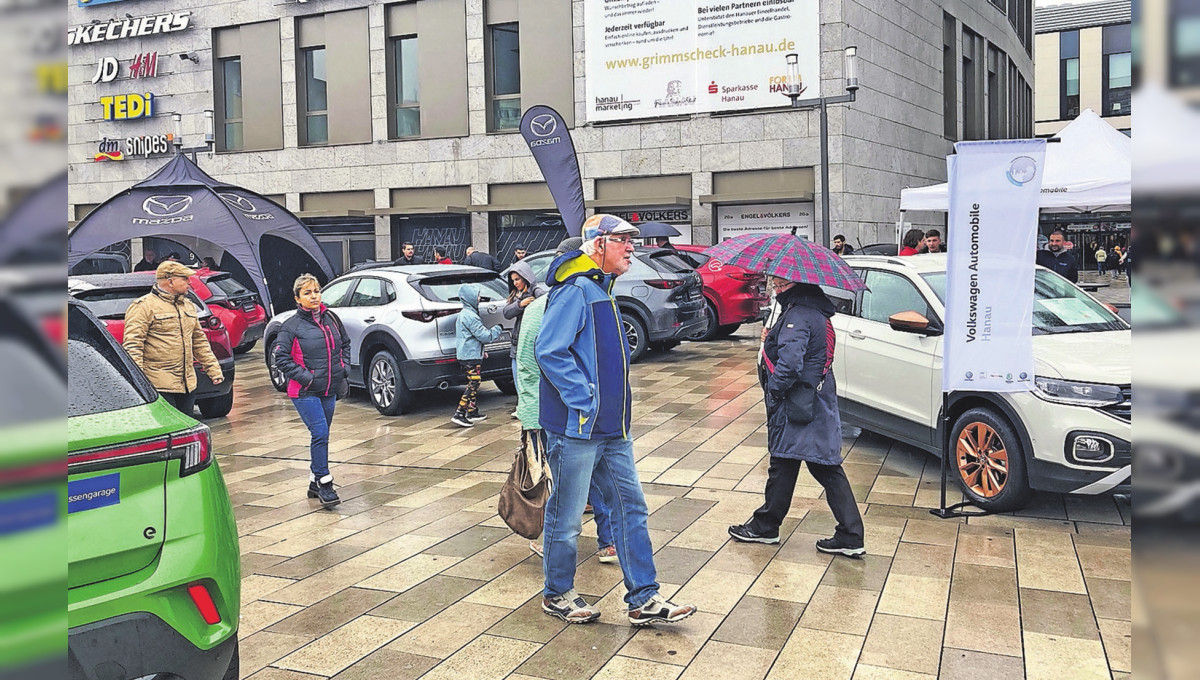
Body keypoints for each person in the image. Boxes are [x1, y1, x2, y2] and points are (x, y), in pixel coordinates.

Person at [536, 213, 696, 626]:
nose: (631, 247)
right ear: (597, 244)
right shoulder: (574, 291)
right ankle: (557, 593)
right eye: (623, 240)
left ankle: (644, 597)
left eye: (632, 240)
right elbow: (550, 351)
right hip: (578, 429)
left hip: (611, 429)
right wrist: (585, 398)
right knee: (567, 517)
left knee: (631, 510)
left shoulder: (599, 289)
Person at [729, 276, 865, 557]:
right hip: (812, 400)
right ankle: (767, 524)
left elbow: (790, 364)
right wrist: (772, 340)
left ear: (795, 282)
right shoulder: (809, 310)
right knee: (788, 462)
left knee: (819, 466)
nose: (773, 285)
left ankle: (849, 534)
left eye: (778, 281)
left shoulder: (799, 314)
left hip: (798, 403)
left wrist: (775, 390)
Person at [518, 237, 619, 564]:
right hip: (592, 412)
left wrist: (530, 415)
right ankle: (608, 541)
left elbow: (529, 363)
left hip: (557, 414)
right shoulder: (597, 299)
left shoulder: (539, 309)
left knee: (561, 481)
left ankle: (553, 544)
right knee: (595, 477)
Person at [271, 274, 351, 508]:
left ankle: (314, 482)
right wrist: (308, 378)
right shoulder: (290, 326)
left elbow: (345, 344)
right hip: (305, 391)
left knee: (323, 435)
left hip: (330, 388)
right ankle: (325, 483)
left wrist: (343, 368)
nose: (314, 296)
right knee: (320, 434)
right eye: (307, 292)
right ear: (297, 298)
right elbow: (281, 358)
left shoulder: (332, 319)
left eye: (316, 291)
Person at [122, 261, 224, 417]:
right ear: (169, 281)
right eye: (184, 278)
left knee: (186, 428)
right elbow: (133, 345)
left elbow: (199, 341)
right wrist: (140, 382)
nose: (190, 283)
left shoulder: (188, 305)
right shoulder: (143, 306)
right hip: (159, 385)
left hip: (187, 385)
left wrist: (214, 370)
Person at [451, 283, 503, 428]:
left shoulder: (465, 314)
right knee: (473, 382)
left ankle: (472, 411)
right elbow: (484, 335)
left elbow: (470, 338)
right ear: (470, 298)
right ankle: (459, 413)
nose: (479, 298)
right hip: (470, 356)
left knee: (476, 381)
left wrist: (481, 351)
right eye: (477, 295)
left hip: (470, 354)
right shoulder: (470, 316)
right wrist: (497, 329)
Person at [503, 259, 548, 397]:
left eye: (518, 279)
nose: (516, 283)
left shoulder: (537, 292)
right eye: (513, 280)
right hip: (517, 344)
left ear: (526, 277)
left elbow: (548, 305)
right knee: (518, 379)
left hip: (531, 343)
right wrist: (520, 304)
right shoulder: (515, 295)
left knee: (531, 380)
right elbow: (507, 313)